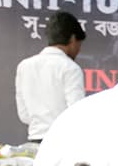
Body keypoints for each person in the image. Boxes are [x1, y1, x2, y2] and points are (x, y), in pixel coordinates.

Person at [15, 11, 86, 143]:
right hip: (63, 142)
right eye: (79, 44)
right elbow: (76, 112)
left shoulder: (24, 66)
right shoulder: (70, 68)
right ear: (72, 39)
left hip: (35, 141)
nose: (78, 50)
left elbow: (24, 115)